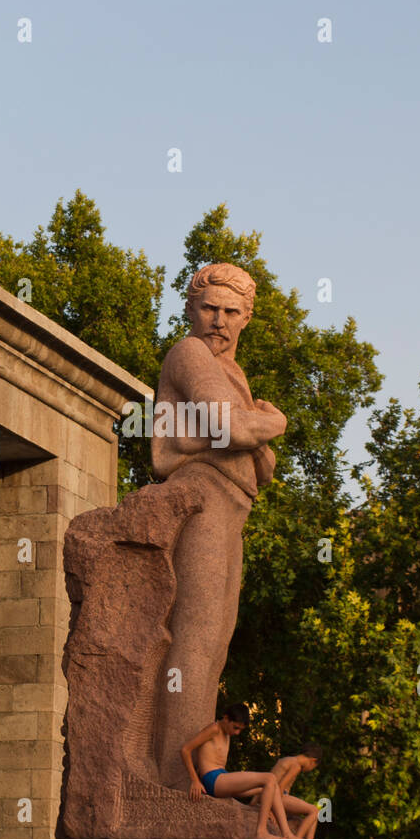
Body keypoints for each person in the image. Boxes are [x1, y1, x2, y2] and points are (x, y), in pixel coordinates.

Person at [151, 264, 288, 789]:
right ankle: (173, 780)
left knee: (216, 648)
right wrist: (270, 423)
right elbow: (232, 428)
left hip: (233, 509)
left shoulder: (233, 374)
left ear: (246, 318)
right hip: (203, 496)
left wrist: (253, 437)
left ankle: (199, 776)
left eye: (232, 312)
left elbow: (264, 465)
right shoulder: (189, 355)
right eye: (209, 308)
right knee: (194, 641)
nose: (219, 321)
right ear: (190, 309)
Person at [180, 703, 312, 839]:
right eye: (235, 727)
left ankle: (288, 836)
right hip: (213, 780)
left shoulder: (226, 733)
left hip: (223, 777)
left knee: (271, 787)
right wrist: (195, 781)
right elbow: (186, 749)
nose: (237, 733)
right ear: (225, 718)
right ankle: (261, 832)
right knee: (270, 778)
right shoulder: (214, 728)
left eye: (240, 730)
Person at [244, 744, 323, 839]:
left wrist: (254, 802)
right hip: (278, 796)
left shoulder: (285, 760)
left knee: (311, 811)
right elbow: (280, 788)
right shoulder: (296, 766)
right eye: (314, 767)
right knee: (314, 811)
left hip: (266, 793)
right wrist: (272, 810)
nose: (310, 769)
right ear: (313, 761)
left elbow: (267, 782)